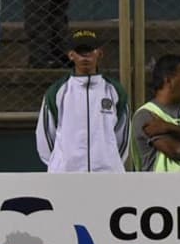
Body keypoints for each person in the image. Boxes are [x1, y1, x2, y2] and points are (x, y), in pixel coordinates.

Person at [35, 29, 130, 172]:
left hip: (107, 175)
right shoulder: (57, 91)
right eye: (80, 52)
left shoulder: (114, 91)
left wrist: (110, 162)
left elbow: (123, 136)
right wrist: (59, 165)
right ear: (71, 55)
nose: (85, 57)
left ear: (99, 53)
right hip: (66, 176)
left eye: (90, 51)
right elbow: (46, 135)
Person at [133, 54, 180, 172]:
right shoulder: (146, 114)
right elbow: (177, 151)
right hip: (159, 188)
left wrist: (168, 127)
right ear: (168, 80)